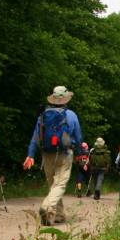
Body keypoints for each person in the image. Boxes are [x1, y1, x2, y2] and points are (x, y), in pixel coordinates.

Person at [23, 86, 83, 226]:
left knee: (53, 186)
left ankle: (59, 215)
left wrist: (30, 155)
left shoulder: (43, 116)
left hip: (47, 154)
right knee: (60, 185)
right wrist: (79, 154)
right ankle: (46, 207)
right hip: (65, 153)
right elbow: (78, 138)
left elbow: (35, 137)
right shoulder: (71, 115)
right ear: (66, 99)